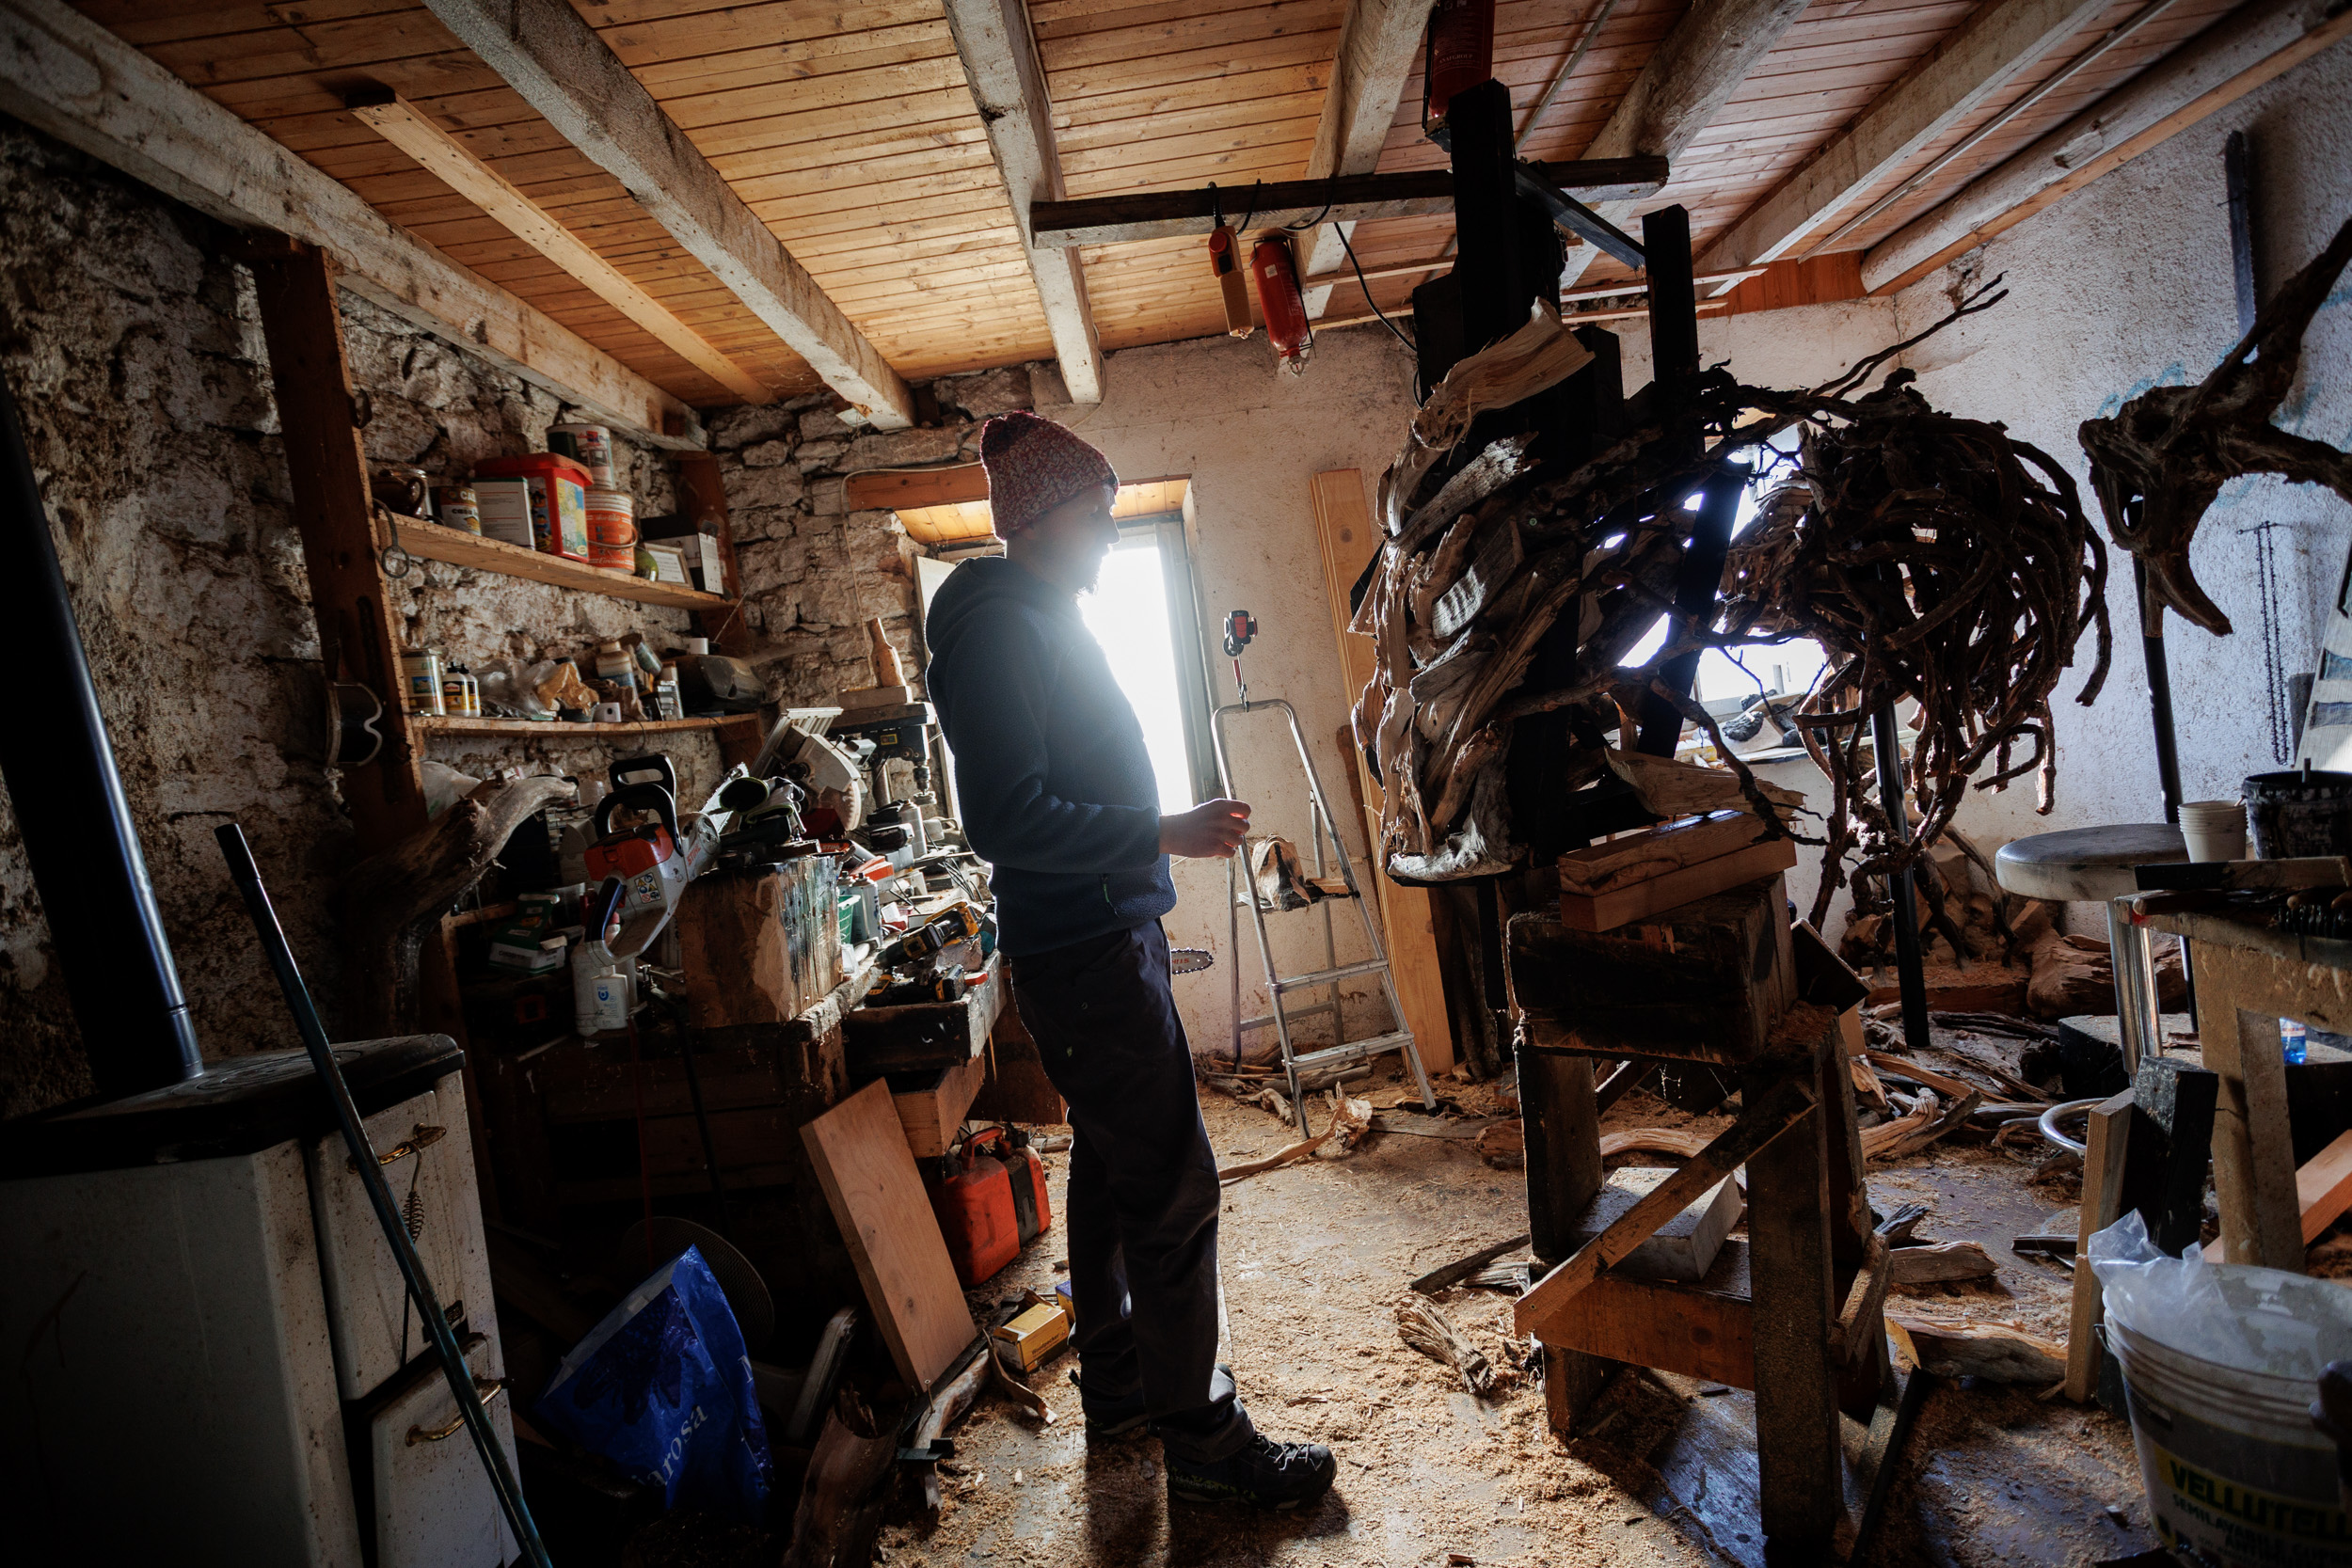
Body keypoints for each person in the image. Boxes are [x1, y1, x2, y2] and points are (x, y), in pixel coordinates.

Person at [924, 411, 1338, 1511]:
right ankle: (1202, 1437)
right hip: (1087, 949)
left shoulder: (1035, 612)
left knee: (1112, 1169)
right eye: (1098, 517)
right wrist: (1160, 829)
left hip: (1098, 937)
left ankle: (1121, 1392)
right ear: (1049, 517)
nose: (1108, 537)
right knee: (1171, 1184)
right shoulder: (1001, 623)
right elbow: (1006, 817)